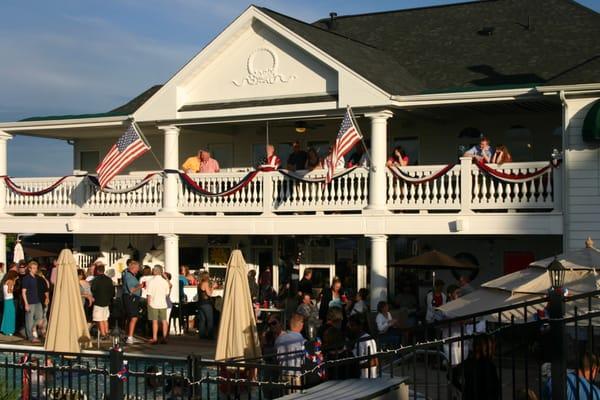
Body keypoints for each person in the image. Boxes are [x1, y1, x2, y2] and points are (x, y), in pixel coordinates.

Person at [460, 335, 500, 400]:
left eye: (490, 348)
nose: (490, 351)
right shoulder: (488, 365)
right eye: (487, 349)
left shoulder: (468, 363)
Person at [275, 313, 306, 379]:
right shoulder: (300, 339)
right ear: (301, 325)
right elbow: (304, 359)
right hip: (295, 374)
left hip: (282, 374)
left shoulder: (279, 338)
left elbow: (275, 357)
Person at [146, 266, 171, 345]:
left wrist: (148, 304)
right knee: (164, 321)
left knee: (154, 322)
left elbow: (149, 294)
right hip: (163, 303)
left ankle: (155, 338)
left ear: (155, 271)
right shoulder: (164, 282)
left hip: (153, 303)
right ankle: (164, 337)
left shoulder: (151, 281)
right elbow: (167, 294)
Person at [348, 314, 378, 379]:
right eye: (349, 325)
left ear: (360, 326)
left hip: (366, 378)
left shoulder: (366, 339)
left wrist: (356, 367)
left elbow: (374, 361)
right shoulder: (356, 339)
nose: (350, 328)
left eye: (352, 325)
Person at [21, 261, 45, 343]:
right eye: (34, 268)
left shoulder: (36, 278)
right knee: (29, 320)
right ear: (29, 269)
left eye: (36, 268)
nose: (35, 269)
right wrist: (26, 304)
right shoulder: (26, 278)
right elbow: (23, 292)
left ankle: (26, 329)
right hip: (30, 302)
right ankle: (30, 337)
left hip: (37, 301)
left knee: (40, 317)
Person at [122, 260, 143, 344]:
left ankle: (129, 336)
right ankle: (130, 337)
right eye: (137, 268)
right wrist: (141, 286)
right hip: (131, 298)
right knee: (134, 317)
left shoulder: (130, 275)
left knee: (130, 317)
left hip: (130, 298)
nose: (138, 270)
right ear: (133, 268)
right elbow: (132, 290)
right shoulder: (129, 276)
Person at [91, 264, 114, 339]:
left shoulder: (96, 279)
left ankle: (103, 334)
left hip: (98, 301)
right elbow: (112, 292)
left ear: (97, 271)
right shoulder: (109, 279)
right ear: (103, 270)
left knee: (99, 319)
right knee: (105, 318)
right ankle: (106, 332)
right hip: (106, 302)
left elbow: (92, 290)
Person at [197, 272, 214, 339]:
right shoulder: (205, 283)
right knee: (210, 320)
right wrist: (212, 287)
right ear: (207, 276)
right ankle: (210, 335)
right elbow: (209, 294)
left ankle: (202, 335)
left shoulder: (199, 284)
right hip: (206, 304)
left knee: (202, 320)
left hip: (200, 303)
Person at [1, 270, 18, 335]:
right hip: (9, 299)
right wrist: (14, 283)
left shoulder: (6, 281)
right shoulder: (10, 281)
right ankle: (9, 330)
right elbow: (9, 291)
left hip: (6, 300)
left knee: (7, 315)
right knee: (11, 315)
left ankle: (5, 330)